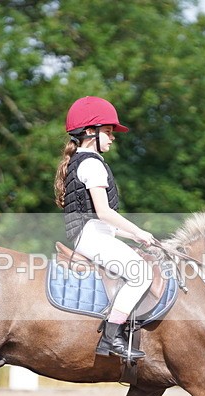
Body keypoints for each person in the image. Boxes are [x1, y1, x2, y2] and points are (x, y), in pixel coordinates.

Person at [53, 96, 154, 360]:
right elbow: (104, 212)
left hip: (93, 235)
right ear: (90, 132)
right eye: (108, 132)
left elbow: (99, 221)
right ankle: (111, 338)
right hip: (92, 239)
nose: (112, 138)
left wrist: (133, 235)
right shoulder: (91, 164)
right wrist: (140, 232)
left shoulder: (81, 161)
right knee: (141, 273)